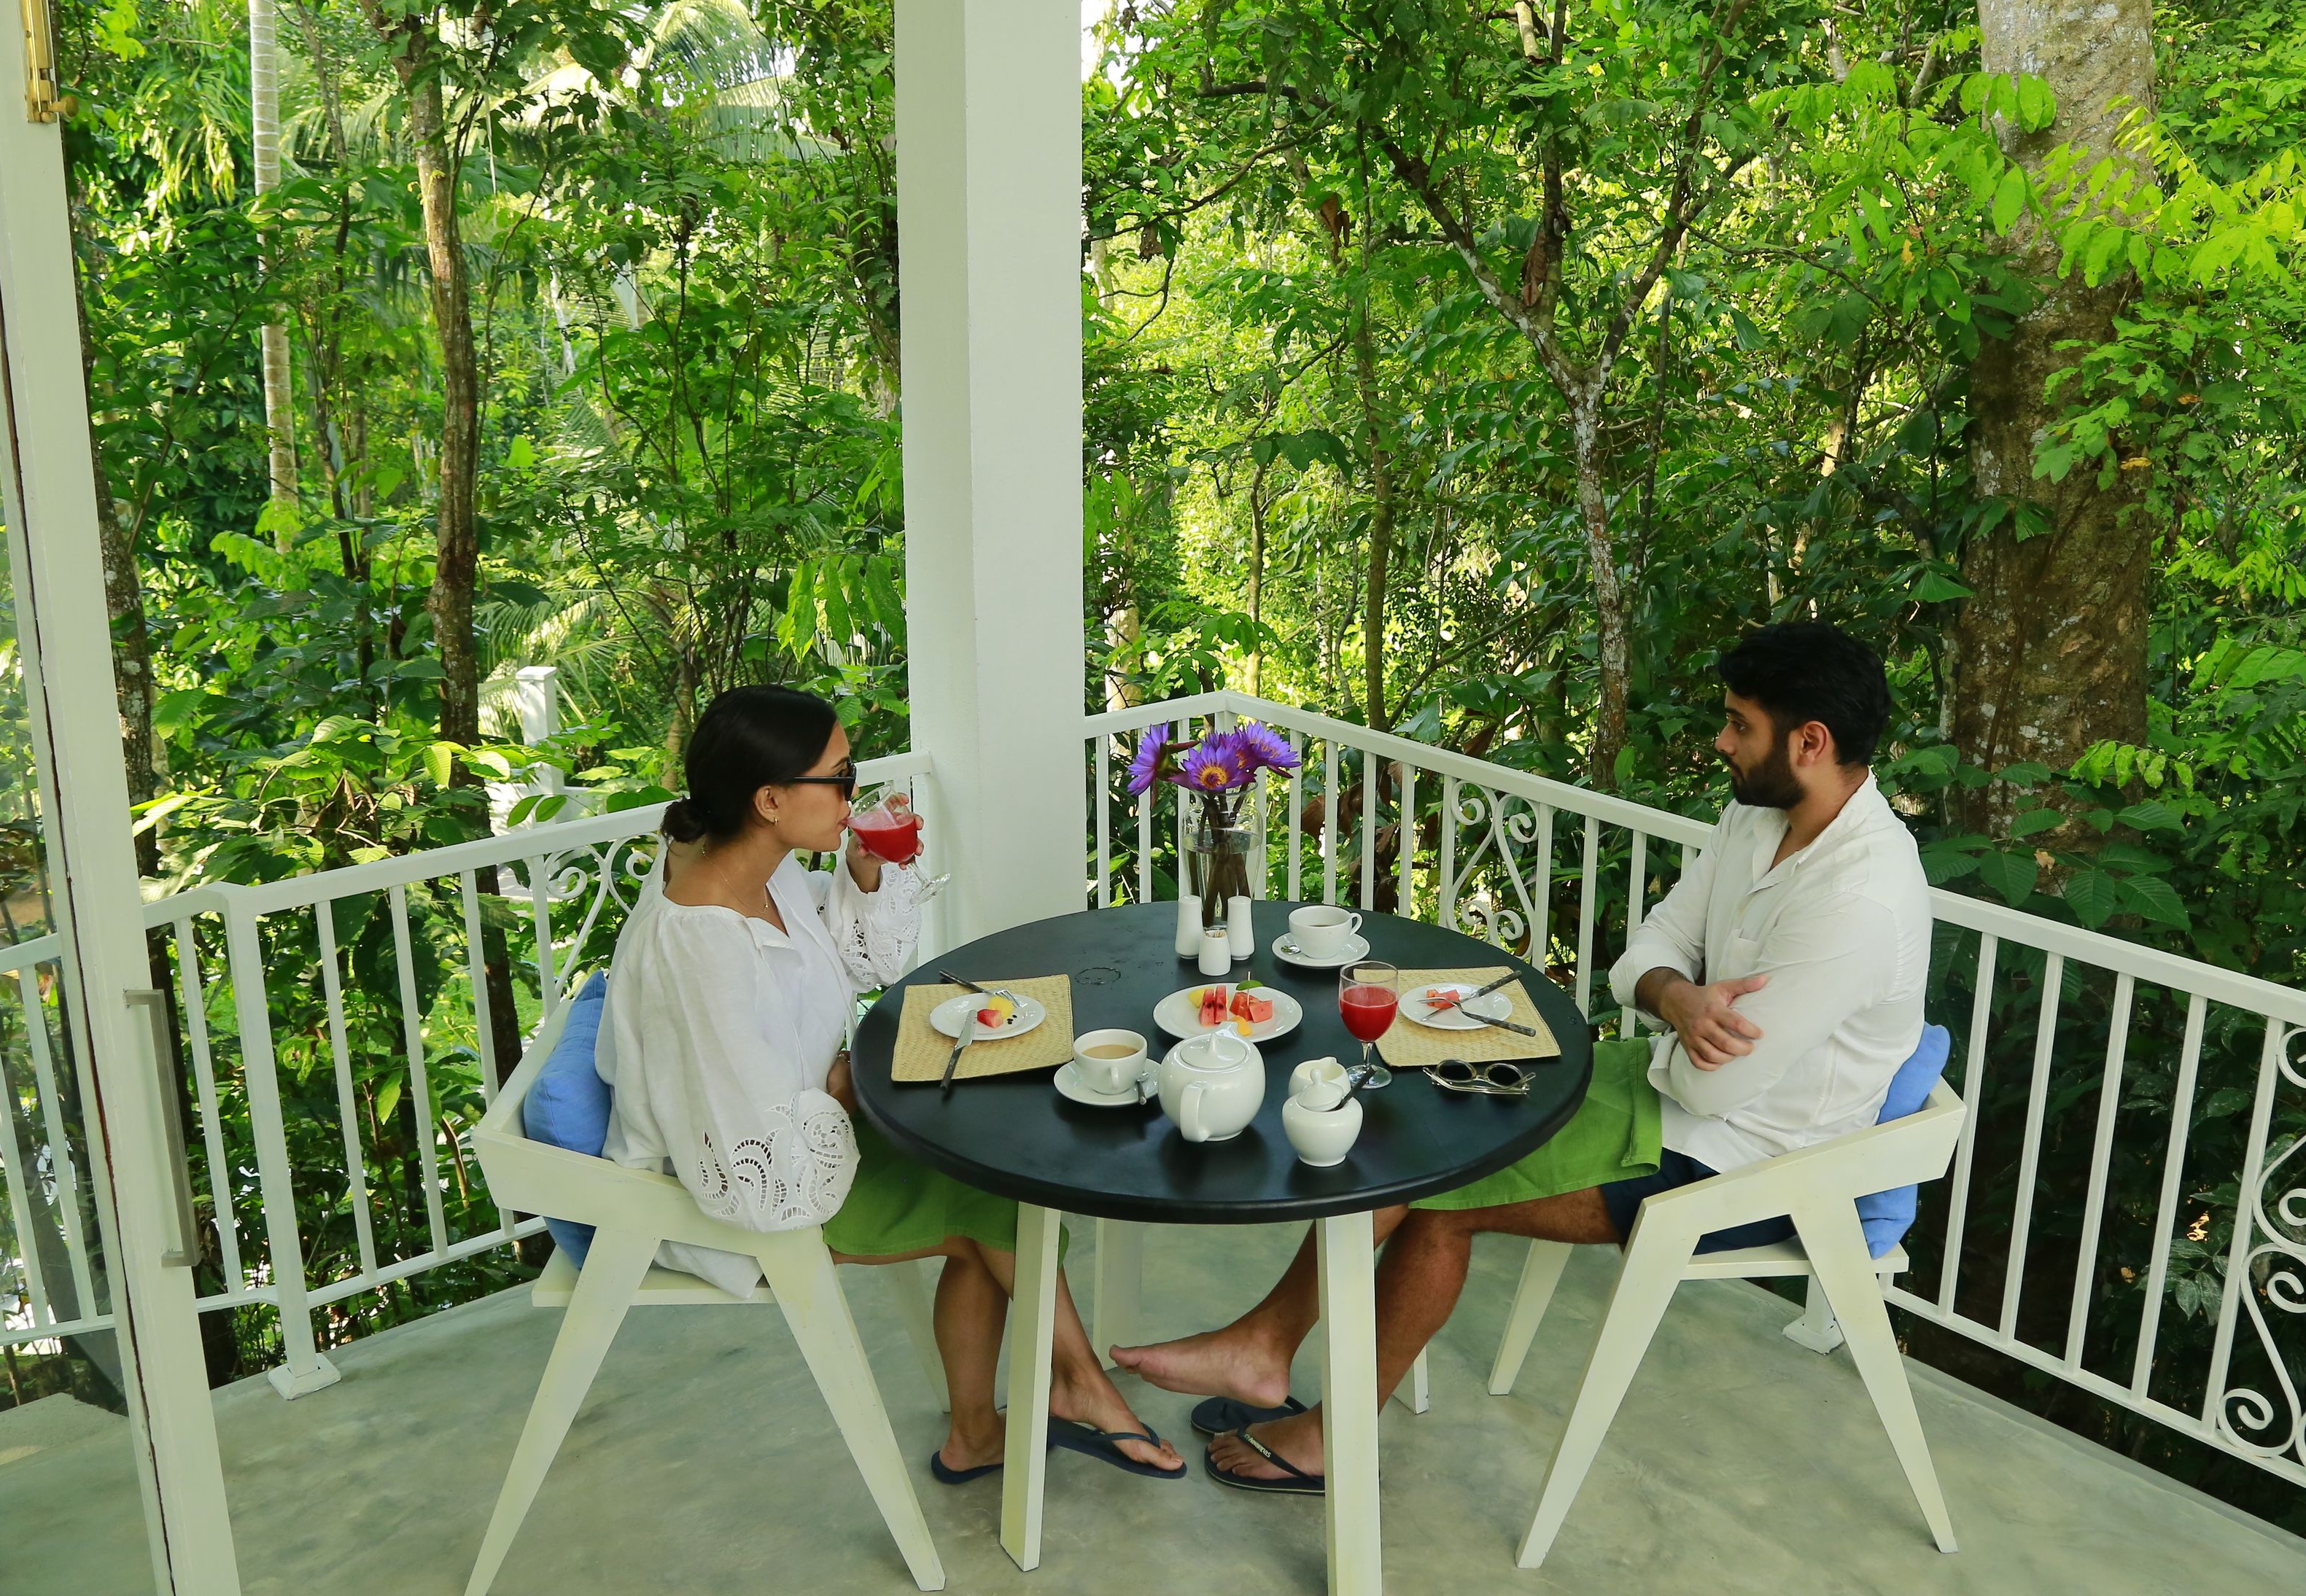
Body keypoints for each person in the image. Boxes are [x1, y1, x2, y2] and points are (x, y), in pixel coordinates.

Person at [1112, 621, 1930, 1492]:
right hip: (1658, 1081)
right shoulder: (1755, 816)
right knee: (1419, 1125)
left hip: (1744, 1160)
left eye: (1738, 724)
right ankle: (1263, 1348)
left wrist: (1672, 1010)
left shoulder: (1862, 901)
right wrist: (1677, 995)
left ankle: (1322, 1421)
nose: (1722, 742)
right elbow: (1646, 949)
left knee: (1442, 1197)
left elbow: (1712, 1084)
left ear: (1812, 741)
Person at [598, 684, 1183, 1482]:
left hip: (799, 1125)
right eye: (839, 780)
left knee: (988, 1151)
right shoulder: (702, 946)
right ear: (769, 799)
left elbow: (853, 964)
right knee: (995, 1199)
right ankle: (1079, 1390)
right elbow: (751, 1166)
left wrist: (863, 873)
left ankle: (993, 1427)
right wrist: (843, 1087)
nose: (854, 796)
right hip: (737, 1189)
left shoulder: (746, 865)